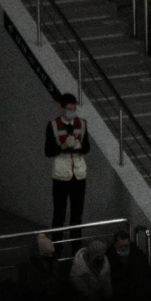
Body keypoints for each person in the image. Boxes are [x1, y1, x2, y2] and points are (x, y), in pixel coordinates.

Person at [45, 94, 90, 235]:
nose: (72, 111)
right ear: (62, 108)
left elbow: (87, 147)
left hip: (79, 174)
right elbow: (48, 151)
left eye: (74, 108)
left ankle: (76, 249)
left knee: (77, 215)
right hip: (61, 175)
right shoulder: (53, 124)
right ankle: (57, 249)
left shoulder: (82, 123)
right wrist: (63, 146)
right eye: (69, 108)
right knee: (59, 214)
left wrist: (79, 146)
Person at [70, 237, 112, 301]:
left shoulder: (104, 261)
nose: (101, 258)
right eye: (98, 256)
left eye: (102, 256)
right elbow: (82, 290)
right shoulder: (77, 269)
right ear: (89, 255)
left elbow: (107, 283)